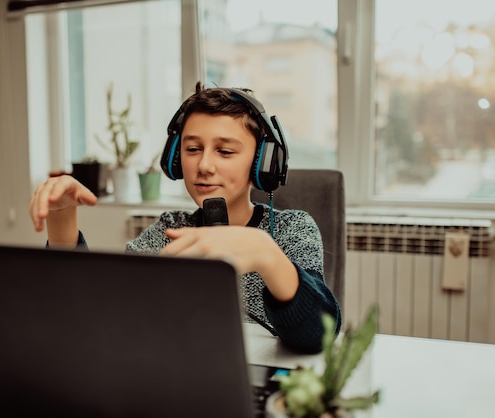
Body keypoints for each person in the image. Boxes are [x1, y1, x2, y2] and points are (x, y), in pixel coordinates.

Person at [28, 82, 341, 354]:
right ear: (177, 158)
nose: (203, 165)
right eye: (193, 149)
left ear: (263, 165)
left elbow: (319, 335)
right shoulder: (170, 229)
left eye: (225, 152)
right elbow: (92, 312)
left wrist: (265, 254)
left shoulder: (292, 230)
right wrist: (62, 219)